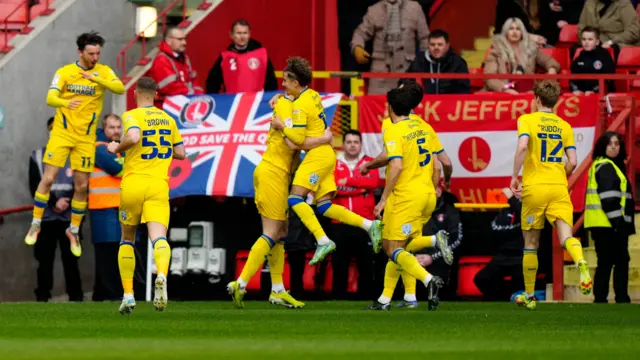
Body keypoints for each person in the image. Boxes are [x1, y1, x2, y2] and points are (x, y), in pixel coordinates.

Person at [269, 57, 383, 266]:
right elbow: (296, 103)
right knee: (323, 206)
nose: (283, 84)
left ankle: (322, 240)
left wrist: (281, 126)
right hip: (327, 153)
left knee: (294, 199)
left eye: (286, 80)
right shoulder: (312, 95)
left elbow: (296, 143)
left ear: (296, 83)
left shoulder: (300, 106)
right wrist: (281, 98)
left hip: (317, 156)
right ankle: (369, 226)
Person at [226, 88, 333, 309]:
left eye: (286, 82)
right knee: (272, 232)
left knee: (281, 232)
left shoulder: (294, 105)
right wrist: (324, 137)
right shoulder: (286, 107)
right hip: (272, 173)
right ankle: (241, 283)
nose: (283, 86)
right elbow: (295, 143)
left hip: (278, 175)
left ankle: (277, 290)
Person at [25, 31, 125, 257]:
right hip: (62, 134)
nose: (95, 57)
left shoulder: (104, 71)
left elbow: (119, 88)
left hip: (86, 138)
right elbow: (50, 98)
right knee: (48, 178)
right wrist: (65, 102)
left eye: (98, 52)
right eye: (91, 53)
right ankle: (36, 223)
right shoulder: (65, 72)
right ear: (80, 52)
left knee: (81, 187)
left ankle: (73, 230)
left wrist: (97, 79)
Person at [367, 86, 453, 312]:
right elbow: (445, 163)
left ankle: (428, 280)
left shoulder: (394, 129)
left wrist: (383, 199)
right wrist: (443, 184)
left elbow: (395, 164)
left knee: (392, 248)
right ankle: (385, 301)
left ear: (390, 107)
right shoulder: (424, 126)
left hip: (406, 196)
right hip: (427, 195)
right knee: (401, 246)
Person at [106, 77, 186, 315]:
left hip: (133, 184)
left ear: (135, 94)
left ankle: (129, 295)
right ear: (156, 93)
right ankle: (161, 274)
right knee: (159, 238)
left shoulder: (132, 115)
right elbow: (181, 153)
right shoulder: (168, 119)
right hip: (158, 185)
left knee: (127, 239)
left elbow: (132, 138)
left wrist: (116, 148)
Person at [510, 79, 592, 310]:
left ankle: (528, 295)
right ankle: (581, 262)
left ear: (536, 99)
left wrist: (515, 175)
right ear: (556, 102)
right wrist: (562, 175)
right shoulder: (564, 125)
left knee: (531, 243)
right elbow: (573, 161)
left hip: (535, 187)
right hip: (558, 186)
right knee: (566, 236)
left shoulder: (527, 119)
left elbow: (523, 146)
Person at [29, 117, 83, 302]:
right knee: (44, 262)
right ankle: (42, 299)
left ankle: (76, 299)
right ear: (48, 131)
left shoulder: (76, 156)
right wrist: (54, 202)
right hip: (46, 219)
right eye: (52, 128)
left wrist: (68, 202)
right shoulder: (37, 156)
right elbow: (35, 185)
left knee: (71, 262)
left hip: (70, 219)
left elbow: (83, 185)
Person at [584, 131, 634, 303]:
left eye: (617, 144)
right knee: (620, 261)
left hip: (601, 223)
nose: (614, 147)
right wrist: (619, 224)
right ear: (603, 146)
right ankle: (621, 297)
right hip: (610, 224)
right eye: (610, 144)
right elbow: (609, 198)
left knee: (605, 263)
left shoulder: (600, 164)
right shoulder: (607, 167)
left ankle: (600, 298)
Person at [331, 130, 379, 299]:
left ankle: (367, 297)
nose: (352, 145)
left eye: (355, 142)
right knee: (339, 263)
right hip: (340, 221)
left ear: (361, 145)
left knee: (365, 262)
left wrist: (348, 182)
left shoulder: (370, 162)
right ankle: (338, 298)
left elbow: (373, 182)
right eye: (349, 142)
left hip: (364, 222)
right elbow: (333, 188)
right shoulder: (333, 163)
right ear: (343, 144)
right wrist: (360, 189)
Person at [89, 114, 125, 301]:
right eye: (112, 127)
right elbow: (119, 169)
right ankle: (111, 295)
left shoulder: (117, 149)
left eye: (119, 127)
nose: (116, 131)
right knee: (108, 256)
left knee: (111, 255)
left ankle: (101, 295)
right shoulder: (99, 148)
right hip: (103, 210)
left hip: (113, 210)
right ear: (104, 129)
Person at [474, 188, 526, 301]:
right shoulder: (505, 210)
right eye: (516, 190)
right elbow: (494, 231)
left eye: (522, 190)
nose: (517, 193)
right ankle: (500, 300)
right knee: (481, 278)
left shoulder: (531, 209)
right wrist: (513, 231)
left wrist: (512, 199)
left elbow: (525, 219)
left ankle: (511, 298)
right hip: (502, 256)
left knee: (519, 281)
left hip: (521, 257)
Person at [483, 18, 560, 94]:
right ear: (506, 32)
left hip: (527, 92)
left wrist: (552, 69)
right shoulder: (496, 51)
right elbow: (489, 77)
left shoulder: (531, 48)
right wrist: (505, 89)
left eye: (518, 29)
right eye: (511, 29)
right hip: (502, 92)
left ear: (522, 32)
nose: (514, 32)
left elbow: (548, 60)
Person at [206, 19, 278, 94]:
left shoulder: (261, 54)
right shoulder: (225, 57)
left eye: (245, 33)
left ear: (249, 34)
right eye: (239, 33)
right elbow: (212, 83)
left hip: (254, 103)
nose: (242, 36)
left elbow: (271, 82)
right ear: (231, 35)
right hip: (233, 103)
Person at [148, 27, 204, 107]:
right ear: (168, 41)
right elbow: (169, 87)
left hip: (183, 106)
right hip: (165, 109)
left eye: (185, 39)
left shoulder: (185, 59)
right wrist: (193, 92)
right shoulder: (161, 60)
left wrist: (198, 94)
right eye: (180, 39)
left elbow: (194, 81)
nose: (184, 42)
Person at [404, 29, 470, 95]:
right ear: (428, 46)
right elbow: (405, 82)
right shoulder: (420, 60)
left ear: (447, 46)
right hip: (424, 103)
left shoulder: (458, 62)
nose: (436, 47)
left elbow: (463, 90)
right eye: (432, 44)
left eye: (440, 44)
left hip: (450, 103)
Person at [570, 27, 616, 95]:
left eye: (590, 39)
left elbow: (609, 79)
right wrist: (576, 90)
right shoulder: (580, 57)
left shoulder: (604, 55)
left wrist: (594, 91)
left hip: (601, 94)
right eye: (584, 39)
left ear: (597, 42)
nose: (586, 42)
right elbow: (573, 78)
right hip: (582, 94)